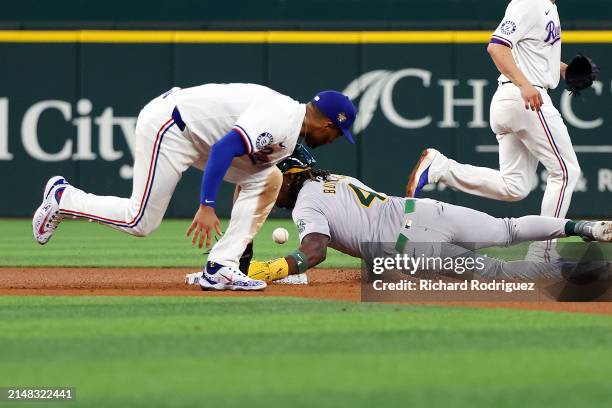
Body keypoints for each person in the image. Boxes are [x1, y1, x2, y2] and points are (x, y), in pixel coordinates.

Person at [32, 84, 357, 291]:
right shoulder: (282, 119)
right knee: (140, 222)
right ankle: (62, 198)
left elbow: (248, 181)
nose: (334, 140)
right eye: (338, 133)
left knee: (266, 177)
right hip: (170, 127)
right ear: (328, 125)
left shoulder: (289, 132)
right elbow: (222, 150)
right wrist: (207, 204)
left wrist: (242, 248)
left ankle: (221, 267)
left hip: (198, 134)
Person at [237, 145, 611, 283]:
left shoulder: (306, 203)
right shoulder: (336, 178)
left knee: (501, 272)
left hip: (413, 247)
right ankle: (586, 227)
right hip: (426, 211)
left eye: (275, 177)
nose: (271, 185)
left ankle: (593, 271)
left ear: (293, 174)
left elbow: (314, 251)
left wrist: (276, 269)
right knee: (507, 229)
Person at [405, 0, 584, 260]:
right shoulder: (528, 3)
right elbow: (497, 48)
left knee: (515, 187)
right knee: (566, 172)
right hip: (525, 98)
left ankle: (440, 167)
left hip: (513, 98)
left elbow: (529, 51)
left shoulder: (547, 6)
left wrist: (564, 70)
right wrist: (524, 84)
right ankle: (543, 252)